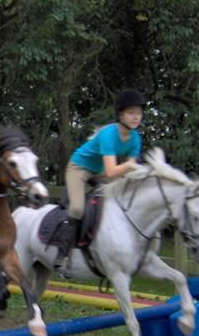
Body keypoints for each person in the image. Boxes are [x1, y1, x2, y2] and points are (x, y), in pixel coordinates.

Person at [54, 89, 146, 266]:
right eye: (131, 113)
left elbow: (124, 171)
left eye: (139, 113)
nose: (136, 117)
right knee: (77, 209)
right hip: (79, 168)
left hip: (101, 172)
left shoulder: (135, 138)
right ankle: (63, 253)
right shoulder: (109, 134)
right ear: (120, 115)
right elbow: (114, 171)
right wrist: (134, 164)